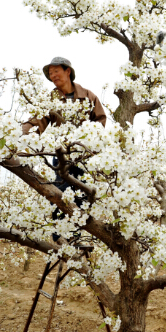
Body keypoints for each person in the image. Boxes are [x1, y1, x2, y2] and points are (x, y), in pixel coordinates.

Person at [22, 57, 107, 239]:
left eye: (55, 71)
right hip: (62, 155)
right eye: (50, 73)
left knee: (83, 195)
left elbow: (100, 120)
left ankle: (79, 237)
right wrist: (21, 135)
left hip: (85, 156)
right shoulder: (51, 99)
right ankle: (59, 236)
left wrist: (92, 140)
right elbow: (37, 120)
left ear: (67, 71)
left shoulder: (88, 96)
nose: (53, 76)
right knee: (60, 192)